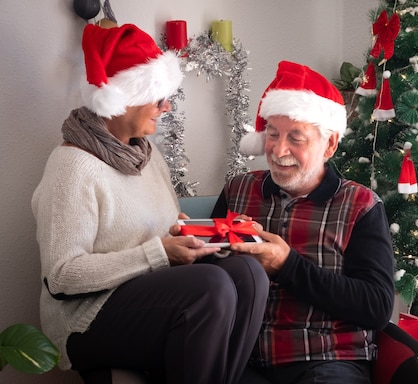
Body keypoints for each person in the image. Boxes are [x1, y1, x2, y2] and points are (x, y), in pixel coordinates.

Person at [31, 23, 268, 384]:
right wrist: (159, 252)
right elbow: (62, 277)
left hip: (149, 293)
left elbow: (164, 228)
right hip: (86, 317)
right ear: (122, 98)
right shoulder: (73, 166)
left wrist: (197, 234)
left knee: (249, 274)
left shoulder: (145, 153)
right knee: (211, 287)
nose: (166, 107)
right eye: (158, 98)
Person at [210, 61, 396, 383]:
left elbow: (376, 307)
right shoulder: (237, 190)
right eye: (272, 135)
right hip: (243, 358)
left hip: (327, 359)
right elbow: (207, 275)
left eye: (296, 138)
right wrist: (194, 243)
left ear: (330, 144)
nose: (279, 150)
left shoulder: (360, 205)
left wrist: (287, 266)